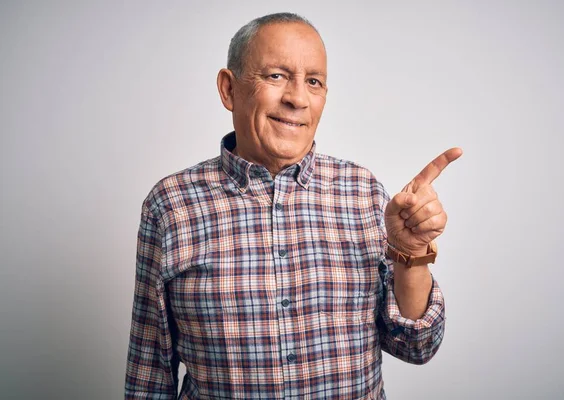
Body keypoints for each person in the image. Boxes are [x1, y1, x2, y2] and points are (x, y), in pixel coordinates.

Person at [125, 12, 462, 400]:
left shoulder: (363, 191)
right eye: (276, 76)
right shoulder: (170, 205)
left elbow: (416, 347)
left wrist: (412, 252)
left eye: (313, 82)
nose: (297, 98)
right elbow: (149, 373)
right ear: (229, 89)